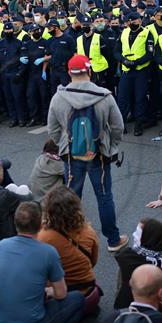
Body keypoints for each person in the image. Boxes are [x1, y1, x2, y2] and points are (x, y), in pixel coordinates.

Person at [0, 201, 85, 323]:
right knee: (76, 299)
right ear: (41, 225)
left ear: (15, 223)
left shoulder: (1, 246)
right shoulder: (47, 252)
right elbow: (61, 294)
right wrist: (48, 290)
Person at [47, 54, 128, 252]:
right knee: (104, 196)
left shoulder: (58, 97)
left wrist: (64, 145)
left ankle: (70, 238)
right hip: (98, 153)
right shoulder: (104, 96)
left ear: (69, 73)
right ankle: (113, 240)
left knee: (71, 198)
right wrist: (112, 146)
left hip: (70, 155)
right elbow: (118, 126)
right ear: (89, 71)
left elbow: (53, 129)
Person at [38, 186, 99, 303]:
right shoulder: (89, 231)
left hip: (62, 297)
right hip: (89, 294)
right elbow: (93, 262)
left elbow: (40, 271)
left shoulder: (43, 237)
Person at [113, 218, 162, 310]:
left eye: (138, 233)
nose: (133, 234)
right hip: (161, 308)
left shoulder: (127, 259)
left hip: (127, 306)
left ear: (147, 240)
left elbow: (121, 255)